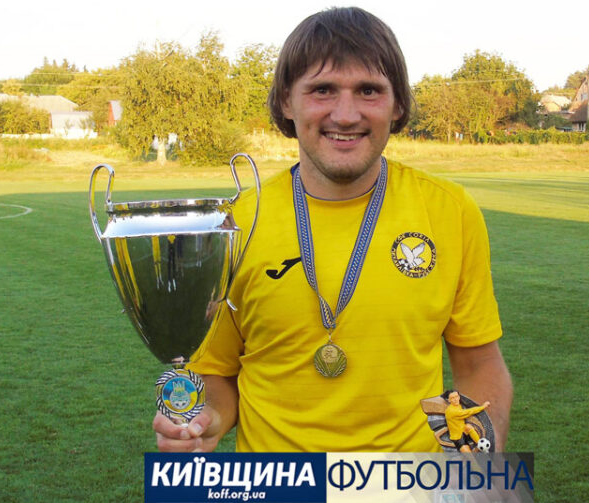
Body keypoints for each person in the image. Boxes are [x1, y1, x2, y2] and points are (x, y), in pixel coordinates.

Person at [154, 6, 512, 453]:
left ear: (398, 104)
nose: (345, 115)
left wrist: (480, 455)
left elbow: (479, 364)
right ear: (287, 101)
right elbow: (217, 370)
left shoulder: (449, 211)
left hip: (407, 483)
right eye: (323, 90)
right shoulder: (237, 222)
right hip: (278, 484)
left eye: (369, 91)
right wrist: (208, 419)